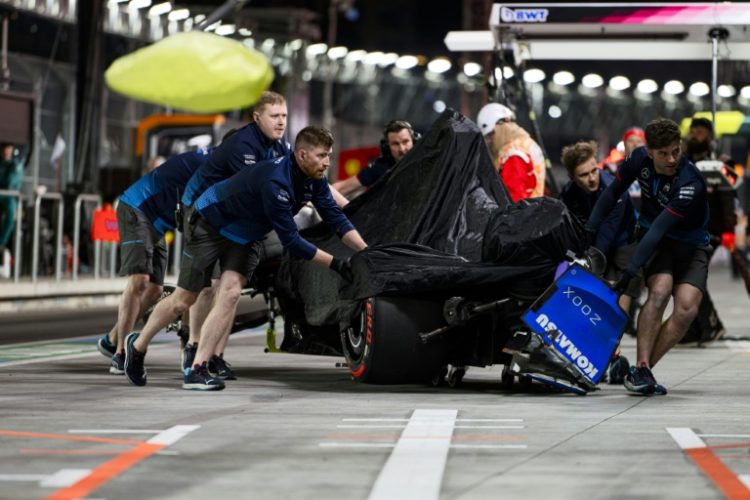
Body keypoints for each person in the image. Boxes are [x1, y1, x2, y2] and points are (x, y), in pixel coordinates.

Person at [124, 126, 368, 391]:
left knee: (230, 293)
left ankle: (197, 368)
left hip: (248, 234)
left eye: (329, 155)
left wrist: (365, 251)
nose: (327, 162)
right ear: (301, 155)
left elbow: (336, 218)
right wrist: (336, 264)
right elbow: (292, 242)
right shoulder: (276, 182)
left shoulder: (316, 179)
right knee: (186, 298)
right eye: (321, 156)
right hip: (211, 223)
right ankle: (137, 346)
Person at [585, 118, 710, 396]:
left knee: (687, 308)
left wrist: (630, 271)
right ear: (649, 151)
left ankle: (642, 370)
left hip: (690, 244)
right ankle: (642, 365)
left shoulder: (690, 181)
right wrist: (589, 229)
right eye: (664, 153)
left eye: (676, 151)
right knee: (660, 291)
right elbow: (611, 194)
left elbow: (660, 228)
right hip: (658, 242)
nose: (671, 159)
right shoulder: (636, 159)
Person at [178, 91, 291, 379]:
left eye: (284, 116)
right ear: (257, 118)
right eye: (275, 116)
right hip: (207, 216)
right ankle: (193, 346)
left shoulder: (280, 148)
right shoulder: (241, 146)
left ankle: (215, 355)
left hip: (238, 222)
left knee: (229, 291)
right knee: (207, 288)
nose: (281, 122)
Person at [97, 146, 214, 374]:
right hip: (137, 208)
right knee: (140, 281)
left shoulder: (218, 167)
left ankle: (111, 340)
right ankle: (120, 353)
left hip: (158, 223)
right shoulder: (205, 166)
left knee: (154, 290)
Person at [559, 140, 640, 383]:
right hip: (595, 245)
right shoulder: (568, 193)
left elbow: (607, 233)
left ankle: (606, 356)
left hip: (625, 243)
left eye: (594, 170)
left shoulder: (615, 189)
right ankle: (603, 356)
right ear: (573, 177)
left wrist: (588, 265)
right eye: (584, 175)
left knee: (616, 305)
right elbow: (570, 231)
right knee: (594, 301)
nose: (592, 178)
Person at [476, 103, 545, 202]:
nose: (489, 142)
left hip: (522, 216)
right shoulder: (526, 144)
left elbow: (514, 201)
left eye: (490, 135)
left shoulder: (513, 155)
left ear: (499, 127)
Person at [332, 120, 417, 198]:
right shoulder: (381, 167)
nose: (402, 149)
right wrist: (321, 190)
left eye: (405, 142)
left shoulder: (426, 161)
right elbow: (342, 188)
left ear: (414, 141)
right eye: (395, 144)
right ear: (387, 147)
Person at [0, 143, 24, 255]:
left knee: (11, 212)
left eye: (8, 148)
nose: (6, 151)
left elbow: (11, 183)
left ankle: (1, 243)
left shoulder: (15, 164)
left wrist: (14, 167)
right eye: (4, 148)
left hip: (9, 197)